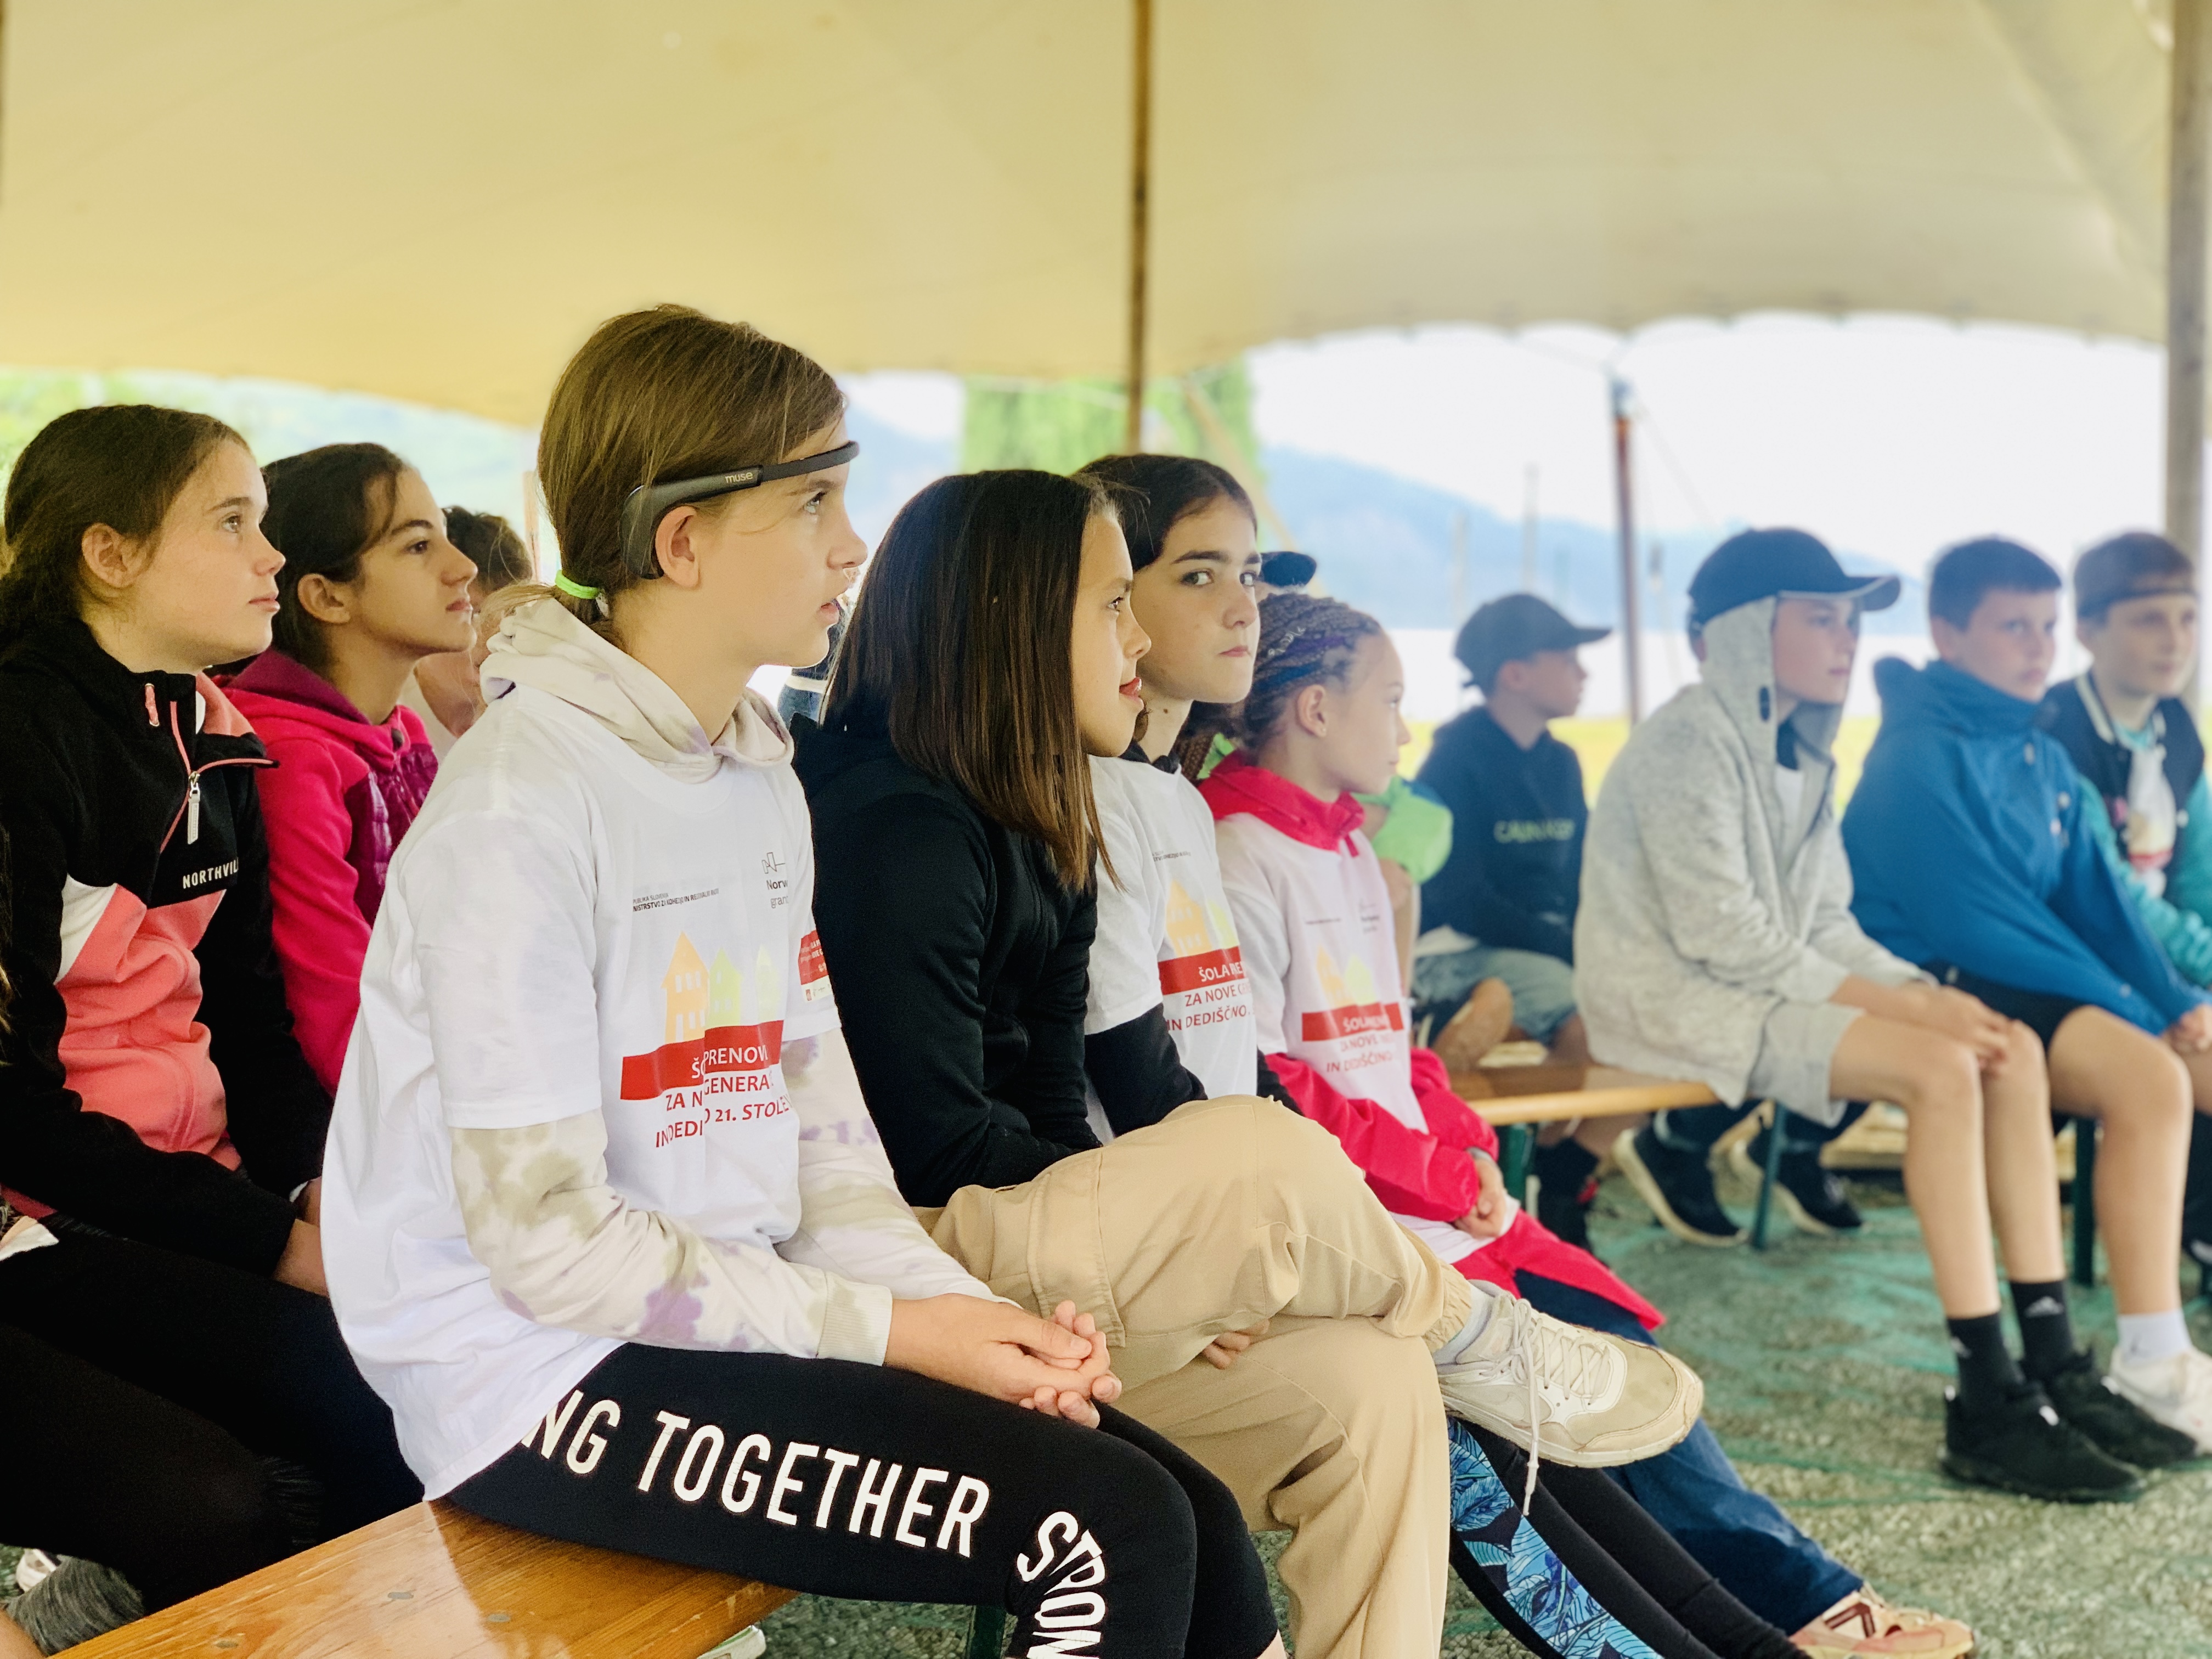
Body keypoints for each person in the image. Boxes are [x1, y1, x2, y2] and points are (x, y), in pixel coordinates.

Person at [319, 306, 1291, 1658]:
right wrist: (898, 1331)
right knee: (1101, 1530)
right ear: (684, 540)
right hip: (531, 1378)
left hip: (718, 1326)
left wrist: (971, 1321)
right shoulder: (519, 811)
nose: (852, 543)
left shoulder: (755, 779)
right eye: (818, 499)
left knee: (1185, 1508)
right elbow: (546, 1250)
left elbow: (830, 1152)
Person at [795, 464, 1703, 1659]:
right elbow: (938, 1144)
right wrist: (1186, 1244)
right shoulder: (892, 825)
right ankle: (1473, 1331)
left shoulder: (1046, 806)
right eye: (1110, 605)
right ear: (1010, 618)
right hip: (918, 1268)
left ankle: (1444, 1351)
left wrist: (1192, 1271)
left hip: (1044, 1251)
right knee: (1251, 1147)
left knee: (1373, 1391)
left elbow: (1060, 1104)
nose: (1136, 638)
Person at [1075, 455, 1958, 1659]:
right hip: (1335, 1222)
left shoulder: (1326, 849)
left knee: (1619, 1356)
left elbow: (1387, 1052)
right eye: (1389, 698)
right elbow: (1263, 1088)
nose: (1408, 725)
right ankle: (1795, 1613)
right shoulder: (1232, 843)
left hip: (1388, 1205)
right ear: (1318, 710)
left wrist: (1460, 1144)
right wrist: (1431, 1179)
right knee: (1536, 1401)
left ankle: (1779, 1616)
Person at [1582, 524, 2183, 1504]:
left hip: (1755, 985)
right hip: (1668, 996)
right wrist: (1909, 1013)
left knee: (2006, 1045)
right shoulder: (1689, 739)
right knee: (1941, 1067)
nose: (1846, 638)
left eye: (1850, 619)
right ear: (1741, 633)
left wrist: (1930, 995)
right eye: (1818, 616)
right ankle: (1984, 1394)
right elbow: (1726, 933)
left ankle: (2050, 1359)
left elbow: (1826, 921)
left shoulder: (1803, 749)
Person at [0, 405, 422, 1586]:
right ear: (109, 553)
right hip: (47, 1213)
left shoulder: (211, 726)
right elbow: (12, 1107)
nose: (273, 559)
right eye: (234, 522)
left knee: (415, 1368)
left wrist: (317, 1189)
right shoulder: (24, 730)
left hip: (193, 1183)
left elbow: (252, 1026)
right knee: (296, 1441)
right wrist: (272, 1243)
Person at [1843, 534, 2212, 1452]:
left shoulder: (2037, 752)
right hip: (1938, 983)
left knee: (2157, 1073)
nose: (2038, 647)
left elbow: (2096, 895)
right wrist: (2135, 1002)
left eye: (2046, 626)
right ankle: (2076, 1360)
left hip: (2029, 977)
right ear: (1946, 630)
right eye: (2013, 626)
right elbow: (1978, 921)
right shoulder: (1914, 755)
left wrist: (2169, 998)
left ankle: (2143, 1350)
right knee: (2146, 1069)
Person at [224, 444, 477, 1092]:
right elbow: (330, 1001)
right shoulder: (288, 760)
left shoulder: (401, 730)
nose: (464, 568)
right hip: (377, 1118)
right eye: (418, 547)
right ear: (326, 597)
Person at [1414, 594, 1640, 1248]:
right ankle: (1532, 1189)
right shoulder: (1455, 761)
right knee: (1597, 1020)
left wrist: (1595, 942)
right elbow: (1461, 897)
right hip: (1458, 948)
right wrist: (1569, 947)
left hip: (1542, 951)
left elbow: (1582, 879)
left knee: (1649, 1016)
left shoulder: (1562, 762)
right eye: (1567, 658)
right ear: (1514, 674)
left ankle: (1559, 1173)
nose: (1583, 672)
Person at [2038, 529, 2212, 1275]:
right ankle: (2194, 1224)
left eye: (2187, 618)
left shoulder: (2175, 723)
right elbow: (2110, 901)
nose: (2175, 641)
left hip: (2158, 959)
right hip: (2078, 965)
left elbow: (2197, 868)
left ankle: (2196, 1218)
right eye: (2148, 619)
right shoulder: (2056, 731)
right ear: (2088, 629)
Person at [401, 503, 536, 756]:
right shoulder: (383, 726)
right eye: (471, 613)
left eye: (512, 613)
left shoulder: (529, 716)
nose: (497, 636)